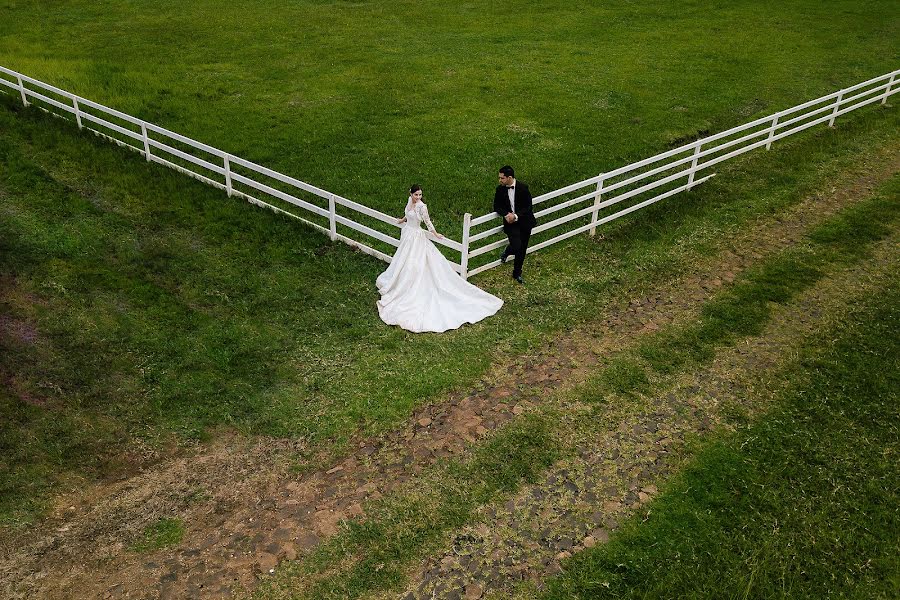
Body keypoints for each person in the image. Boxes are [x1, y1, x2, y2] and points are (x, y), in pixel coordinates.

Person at [377, 185, 503, 333]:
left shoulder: (422, 207)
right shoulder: (409, 201)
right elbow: (408, 213)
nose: (418, 197)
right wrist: (403, 219)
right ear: (410, 194)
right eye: (416, 194)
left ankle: (411, 283)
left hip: (416, 236)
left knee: (414, 262)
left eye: (420, 195)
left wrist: (435, 234)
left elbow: (427, 222)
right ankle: (400, 279)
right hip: (408, 234)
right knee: (403, 259)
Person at [493, 165, 537, 284]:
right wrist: (506, 214)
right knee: (516, 246)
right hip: (511, 224)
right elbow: (496, 206)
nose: (500, 180)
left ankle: (517, 273)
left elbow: (528, 207)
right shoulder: (500, 189)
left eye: (502, 178)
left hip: (524, 221)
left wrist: (516, 216)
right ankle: (507, 251)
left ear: (509, 177)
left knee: (522, 250)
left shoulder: (523, 188)